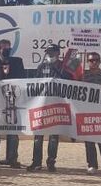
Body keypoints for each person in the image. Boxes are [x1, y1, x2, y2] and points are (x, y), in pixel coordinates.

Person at [27, 45, 70, 173]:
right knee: (38, 136)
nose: (50, 54)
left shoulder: (63, 67)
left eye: (52, 52)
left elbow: (68, 83)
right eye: (48, 52)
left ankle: (51, 162)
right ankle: (36, 162)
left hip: (56, 105)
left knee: (53, 137)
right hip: (41, 105)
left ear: (58, 53)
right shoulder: (42, 66)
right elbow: (35, 83)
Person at [0, 39, 24, 164]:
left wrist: (9, 75)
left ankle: (12, 158)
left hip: (13, 101)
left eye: (9, 48)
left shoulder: (17, 62)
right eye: (4, 48)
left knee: (13, 131)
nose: (7, 50)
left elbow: (22, 79)